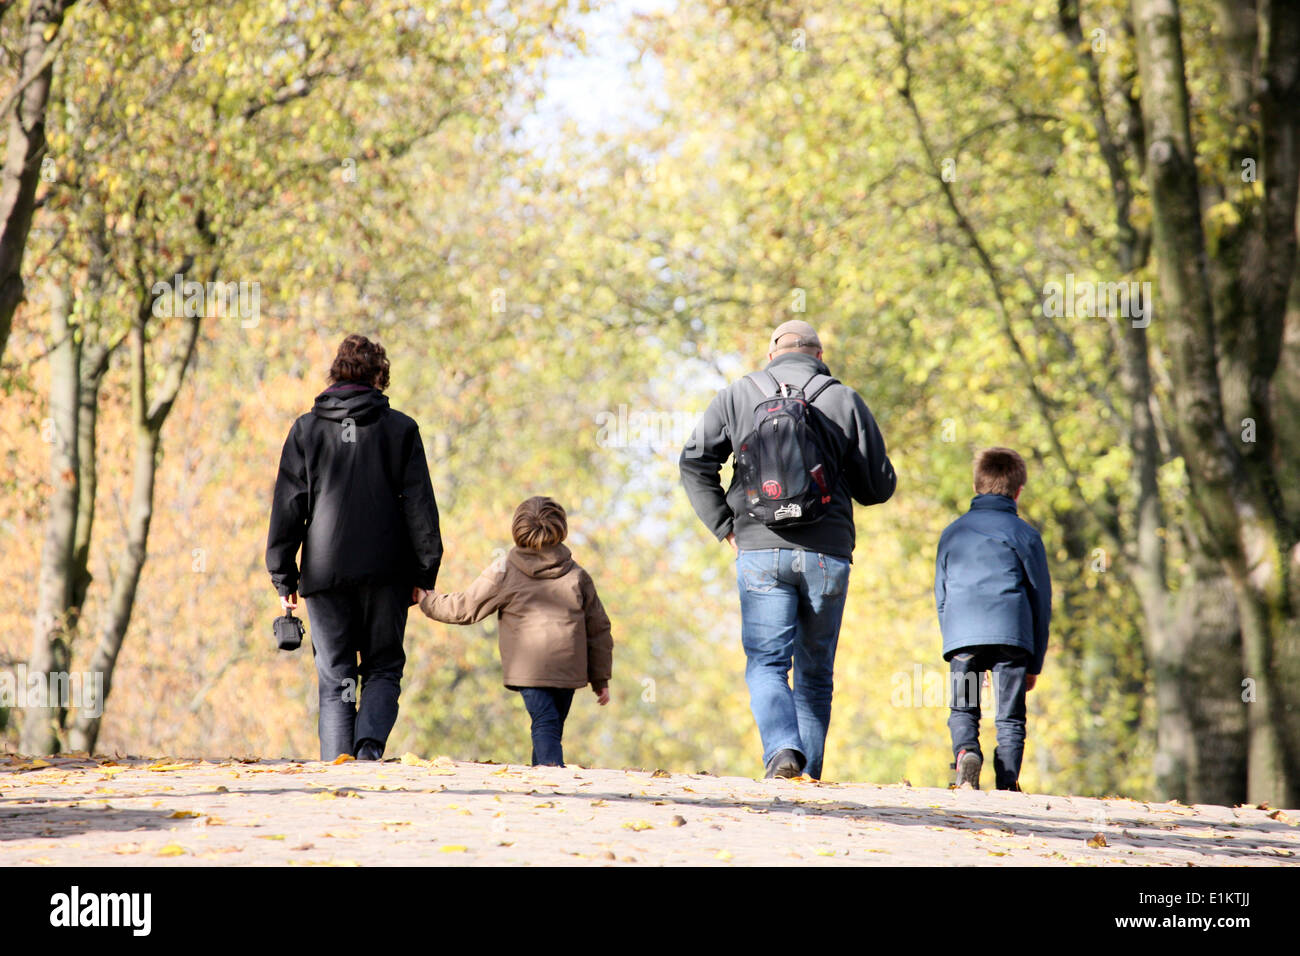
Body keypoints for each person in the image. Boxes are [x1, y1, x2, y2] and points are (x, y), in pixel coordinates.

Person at [679, 320, 896, 780]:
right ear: (819, 356)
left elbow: (694, 463)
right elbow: (877, 488)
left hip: (758, 547)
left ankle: (781, 752)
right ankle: (808, 780)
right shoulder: (843, 398)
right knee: (815, 677)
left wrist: (724, 526)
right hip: (827, 553)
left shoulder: (737, 395)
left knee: (766, 664)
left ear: (771, 355)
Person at [266, 333, 442, 761]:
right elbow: (419, 508)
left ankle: (339, 768)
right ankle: (368, 750)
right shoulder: (401, 429)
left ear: (336, 373)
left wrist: (283, 574)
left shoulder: (307, 430)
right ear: (380, 376)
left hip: (324, 573)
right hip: (388, 572)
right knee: (382, 665)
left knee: (335, 675)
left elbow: (290, 505)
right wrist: (424, 574)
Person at [414, 496, 612, 767]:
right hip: (567, 668)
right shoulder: (577, 576)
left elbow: (465, 608)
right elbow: (598, 629)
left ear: (518, 528)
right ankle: (549, 777)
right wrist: (600, 679)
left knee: (547, 725)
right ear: (560, 529)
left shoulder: (504, 570)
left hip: (528, 667)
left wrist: (428, 600)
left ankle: (548, 780)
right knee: (549, 725)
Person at [934, 447, 1051, 791]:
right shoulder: (1026, 536)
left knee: (963, 708)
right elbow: (1041, 602)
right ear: (1018, 491)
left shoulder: (952, 533)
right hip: (1012, 637)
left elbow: (942, 595)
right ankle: (1008, 781)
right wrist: (1035, 662)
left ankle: (967, 752)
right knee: (1010, 717)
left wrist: (953, 641)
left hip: (964, 637)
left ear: (976, 486)